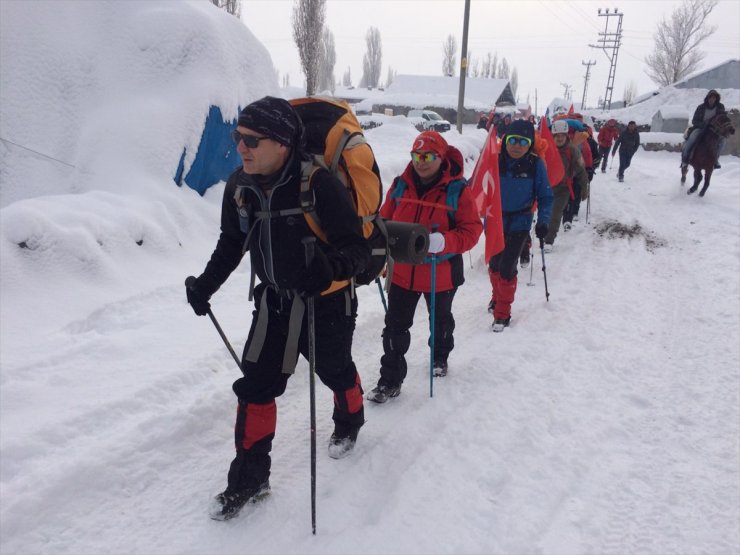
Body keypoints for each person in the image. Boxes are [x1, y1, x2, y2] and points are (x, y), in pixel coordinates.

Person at [185, 96, 371, 519]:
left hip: (326, 301)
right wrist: (205, 286)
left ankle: (350, 420)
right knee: (255, 387)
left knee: (335, 370)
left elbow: (356, 251)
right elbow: (232, 244)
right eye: (238, 137)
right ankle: (250, 478)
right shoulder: (239, 187)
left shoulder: (318, 184)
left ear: (283, 143)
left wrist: (331, 269)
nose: (241, 147)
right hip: (274, 304)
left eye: (253, 139)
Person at [367, 131, 482, 403]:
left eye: (428, 156)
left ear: (441, 158)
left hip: (440, 274)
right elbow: (384, 220)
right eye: (416, 156)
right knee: (394, 328)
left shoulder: (457, 189)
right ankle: (390, 380)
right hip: (403, 273)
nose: (421, 162)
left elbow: (473, 230)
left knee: (440, 321)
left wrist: (445, 241)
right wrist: (378, 252)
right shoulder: (400, 186)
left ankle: (439, 355)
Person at [488, 120, 553, 332]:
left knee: (507, 266)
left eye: (523, 142)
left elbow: (545, 196)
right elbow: (478, 183)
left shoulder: (535, 164)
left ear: (530, 144)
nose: (517, 145)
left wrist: (543, 221)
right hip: (495, 219)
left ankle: (502, 313)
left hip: (521, 221)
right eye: (512, 140)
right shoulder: (494, 160)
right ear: (505, 140)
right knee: (494, 264)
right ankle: (496, 296)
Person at [543, 119, 588, 252]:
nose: (560, 138)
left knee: (556, 214)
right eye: (557, 135)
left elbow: (581, 170)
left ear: (567, 135)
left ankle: (549, 240)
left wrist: (584, 188)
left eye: (562, 135)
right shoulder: (546, 147)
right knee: (545, 214)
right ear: (553, 136)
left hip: (563, 188)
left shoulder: (572, 151)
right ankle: (541, 233)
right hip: (546, 187)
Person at [681, 90, 727, 170]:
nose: (712, 99)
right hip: (701, 128)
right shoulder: (701, 107)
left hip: (714, 130)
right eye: (710, 97)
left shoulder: (720, 107)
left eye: (714, 98)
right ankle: (685, 159)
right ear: (707, 98)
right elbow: (694, 121)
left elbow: (722, 118)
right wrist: (704, 125)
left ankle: (716, 159)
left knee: (723, 139)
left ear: (716, 99)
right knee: (693, 137)